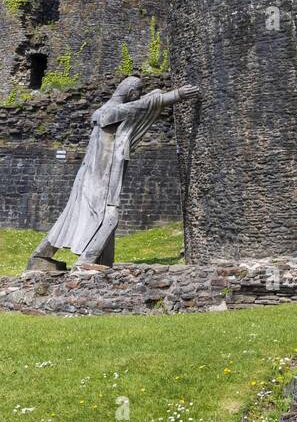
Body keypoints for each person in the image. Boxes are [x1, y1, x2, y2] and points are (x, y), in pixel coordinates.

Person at [25, 76, 199, 274]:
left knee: (71, 216)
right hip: (100, 176)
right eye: (138, 92)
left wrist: (155, 95)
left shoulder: (105, 110)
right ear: (131, 92)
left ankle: (40, 256)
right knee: (109, 217)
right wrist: (176, 95)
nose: (139, 96)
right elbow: (138, 107)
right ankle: (85, 262)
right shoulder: (109, 112)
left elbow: (139, 105)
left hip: (93, 174)